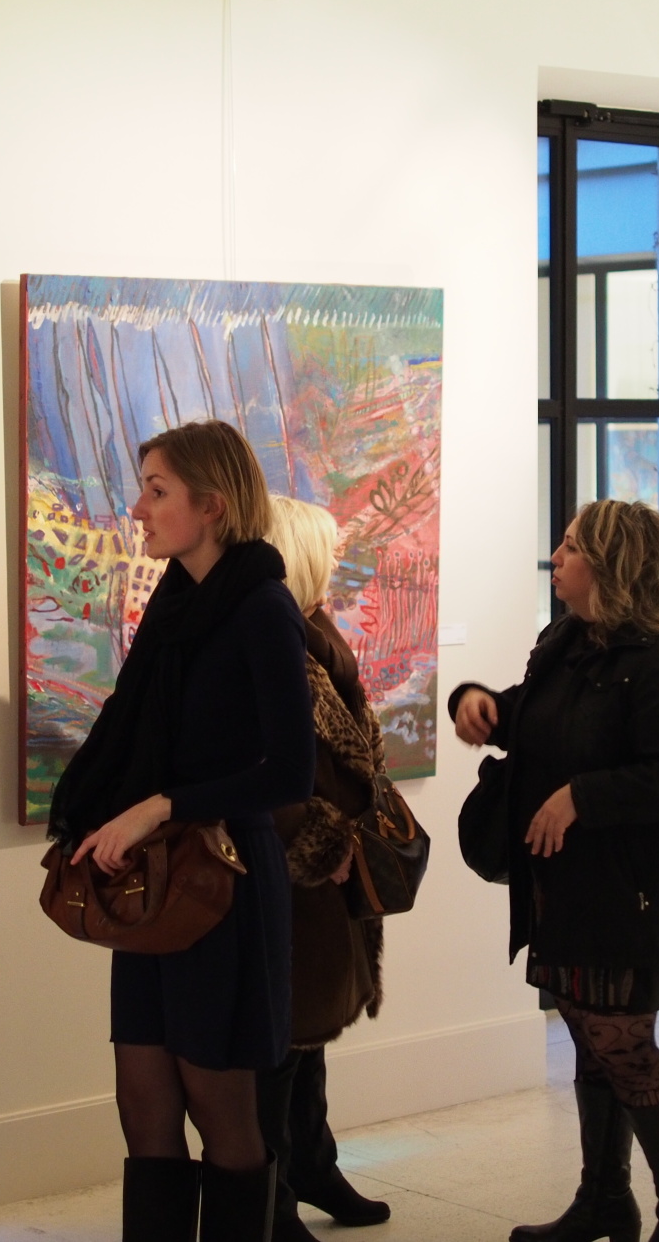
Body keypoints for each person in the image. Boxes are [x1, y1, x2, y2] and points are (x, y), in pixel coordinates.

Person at [47, 421, 316, 1242]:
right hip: (159, 884)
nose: (137, 508)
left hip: (221, 883)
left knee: (221, 1108)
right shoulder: (175, 605)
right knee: (144, 1102)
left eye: (157, 490)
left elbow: (290, 774)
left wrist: (162, 805)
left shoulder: (263, 608)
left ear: (213, 505)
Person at [450, 500, 659, 1242]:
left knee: (622, 1044)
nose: (557, 557)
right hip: (564, 885)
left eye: (570, 547)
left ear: (608, 564)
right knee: (590, 1040)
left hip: (630, 890)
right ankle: (604, 1200)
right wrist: (479, 705)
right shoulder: (564, 639)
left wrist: (580, 797)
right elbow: (538, 719)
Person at [256, 496, 394, 1240]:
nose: (339, 560)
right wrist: (323, 842)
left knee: (309, 1033)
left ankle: (312, 1163)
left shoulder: (316, 637)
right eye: (328, 548)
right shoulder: (275, 645)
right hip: (290, 871)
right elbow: (268, 769)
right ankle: (270, 1196)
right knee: (280, 1038)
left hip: (328, 874)